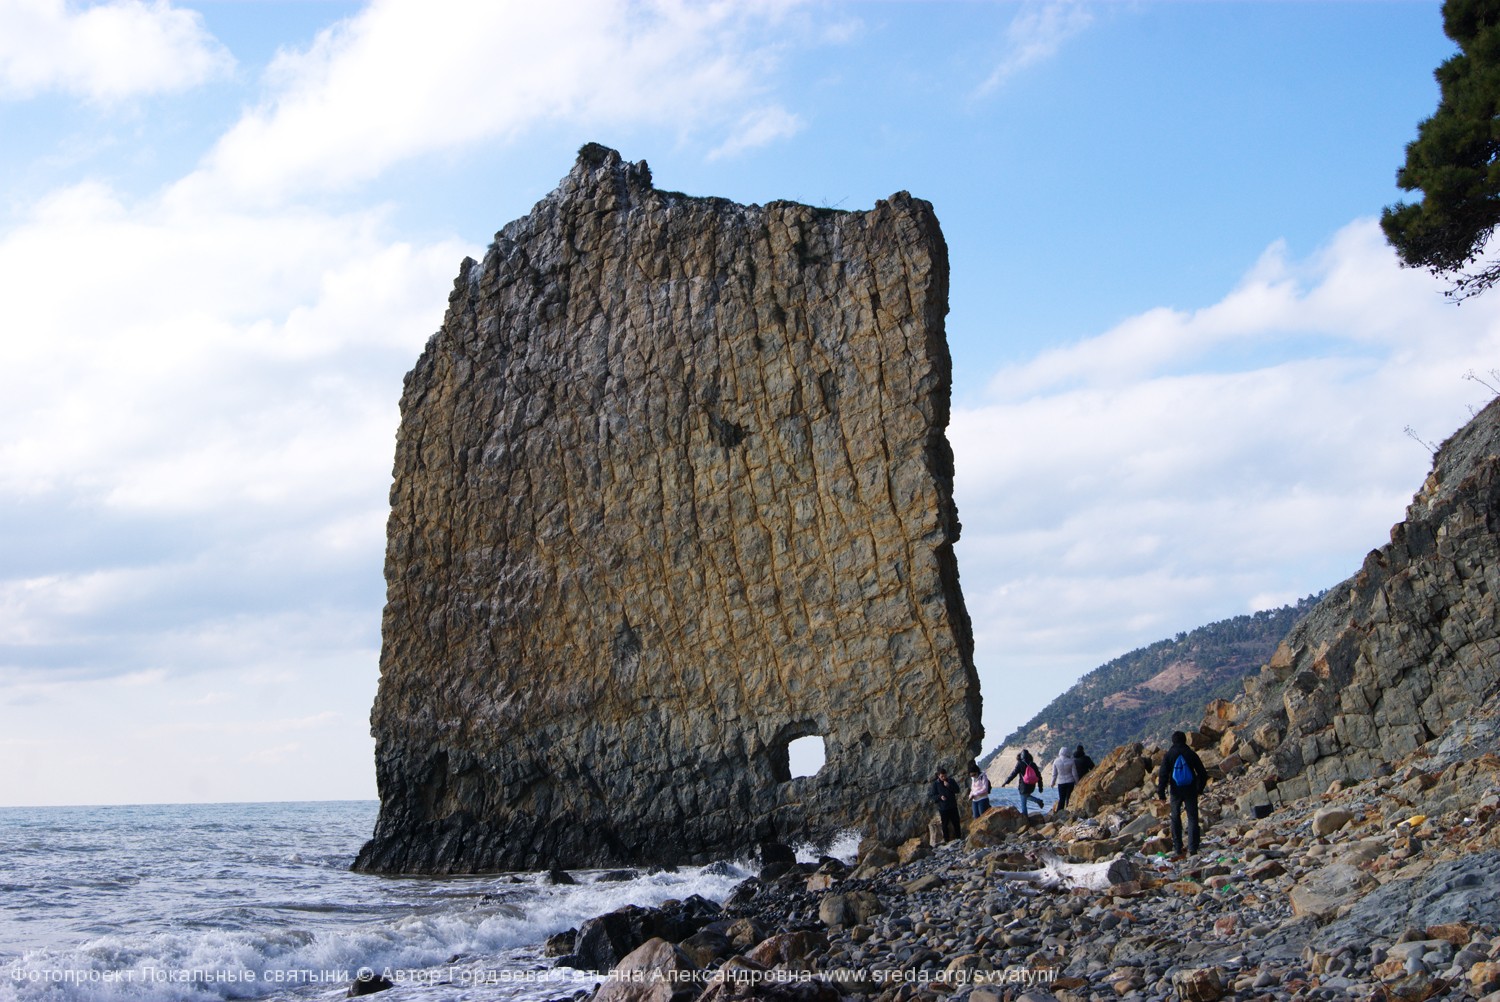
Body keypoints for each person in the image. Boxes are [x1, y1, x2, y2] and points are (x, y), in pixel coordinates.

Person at [1156, 730, 1209, 857]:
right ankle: (1193, 848)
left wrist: (1161, 794)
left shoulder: (1169, 755)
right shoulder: (1191, 753)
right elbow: (1203, 773)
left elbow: (1163, 775)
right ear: (1185, 740)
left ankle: (1178, 847)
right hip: (1190, 790)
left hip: (1175, 790)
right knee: (1192, 818)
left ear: (1173, 741)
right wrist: (1199, 789)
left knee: (1175, 817)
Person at [1003, 750, 1046, 816]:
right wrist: (1040, 787)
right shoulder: (1033, 764)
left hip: (1024, 786)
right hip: (1032, 786)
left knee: (1023, 803)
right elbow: (1039, 776)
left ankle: (1026, 818)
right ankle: (1038, 801)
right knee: (1026, 796)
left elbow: (1013, 774)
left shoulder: (1020, 764)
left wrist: (1006, 782)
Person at [930, 767, 962, 841]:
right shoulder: (935, 784)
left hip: (953, 806)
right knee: (945, 825)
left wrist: (949, 786)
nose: (944, 778)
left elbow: (957, 790)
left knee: (956, 822)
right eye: (942, 776)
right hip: (943, 808)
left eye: (945, 776)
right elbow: (932, 796)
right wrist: (940, 797)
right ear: (938, 776)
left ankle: (959, 838)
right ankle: (946, 840)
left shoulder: (951, 781)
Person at [1050, 746, 1079, 813]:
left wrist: (1052, 782)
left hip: (1061, 782)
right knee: (1068, 797)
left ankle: (1059, 812)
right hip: (1070, 781)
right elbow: (1074, 773)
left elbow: (1054, 774)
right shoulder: (1071, 761)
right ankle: (1069, 810)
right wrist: (1077, 782)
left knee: (1061, 798)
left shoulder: (1056, 761)